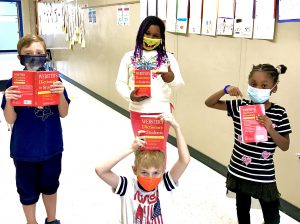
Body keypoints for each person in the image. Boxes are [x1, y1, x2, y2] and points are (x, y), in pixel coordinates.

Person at [205, 64, 292, 224]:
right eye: (253, 83)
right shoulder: (240, 106)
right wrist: (225, 89)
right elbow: (209, 103)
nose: (257, 88)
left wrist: (270, 128)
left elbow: (285, 145)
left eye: (264, 85)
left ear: (274, 88)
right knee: (242, 209)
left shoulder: (279, 112)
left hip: (263, 175)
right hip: (239, 170)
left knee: (272, 217)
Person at [1, 34, 71, 224]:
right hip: (24, 150)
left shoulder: (55, 82)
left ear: (46, 55)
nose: (34, 56)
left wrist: (60, 95)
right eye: (28, 53)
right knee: (27, 190)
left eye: (39, 53)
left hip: (52, 147)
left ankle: (52, 219)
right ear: (20, 58)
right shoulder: (13, 84)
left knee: (51, 186)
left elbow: (64, 113)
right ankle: (31, 222)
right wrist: (8, 100)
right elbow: (10, 118)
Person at [95, 114, 190, 224]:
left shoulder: (164, 184)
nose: (150, 177)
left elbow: (184, 160)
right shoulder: (127, 187)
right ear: (134, 170)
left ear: (163, 170)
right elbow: (100, 170)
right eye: (144, 172)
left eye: (156, 173)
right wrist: (130, 149)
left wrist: (177, 128)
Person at [115, 16, 184, 153]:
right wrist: (130, 95)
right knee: (141, 148)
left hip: (162, 113)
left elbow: (179, 85)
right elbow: (120, 82)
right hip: (138, 111)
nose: (150, 38)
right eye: (147, 34)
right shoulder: (129, 56)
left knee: (159, 150)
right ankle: (142, 175)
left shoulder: (168, 58)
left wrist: (171, 79)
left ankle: (160, 175)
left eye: (155, 35)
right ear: (141, 33)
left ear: (161, 38)